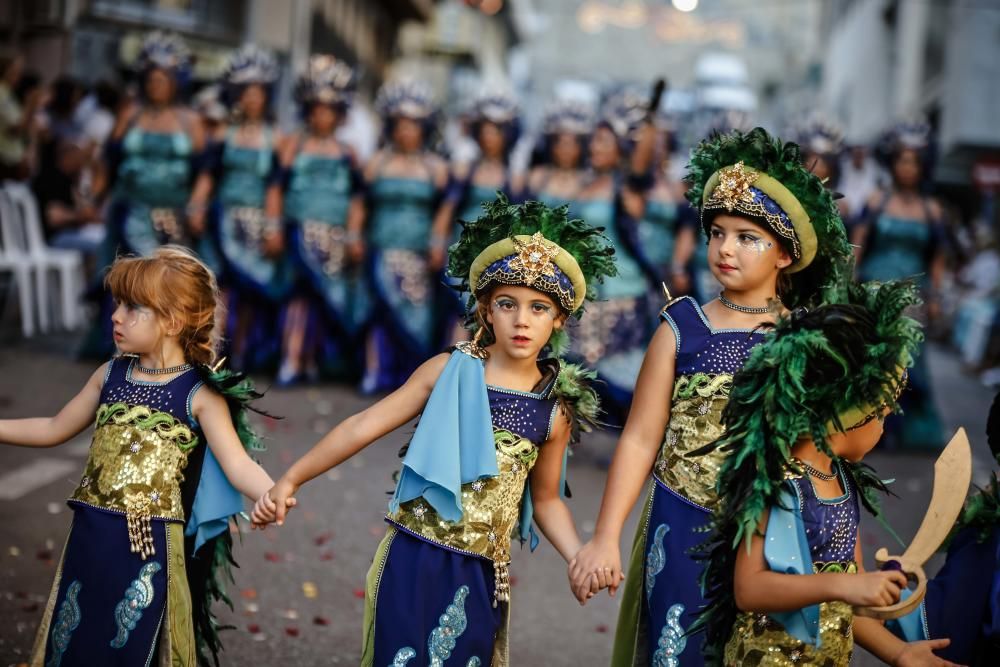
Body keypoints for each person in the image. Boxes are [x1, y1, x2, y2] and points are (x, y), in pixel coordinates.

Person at [252, 198, 615, 665]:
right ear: (486, 310)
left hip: (483, 574)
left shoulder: (553, 409)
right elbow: (363, 425)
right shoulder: (448, 370)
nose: (522, 319)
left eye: (538, 308)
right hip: (413, 555)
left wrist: (578, 556)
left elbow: (544, 500)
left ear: (558, 319)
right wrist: (291, 479)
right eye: (507, 304)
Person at [569, 127, 854, 666]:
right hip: (681, 526)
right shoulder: (681, 328)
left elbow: (837, 449)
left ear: (787, 256)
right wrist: (605, 536)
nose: (726, 248)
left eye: (749, 237)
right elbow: (640, 439)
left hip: (774, 536)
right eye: (718, 231)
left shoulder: (810, 338)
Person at [0, 246, 275, 665]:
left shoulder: (198, 394)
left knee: (129, 640)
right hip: (90, 533)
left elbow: (237, 464)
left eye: (133, 308)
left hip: (148, 546)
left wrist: (272, 493)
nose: (116, 316)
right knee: (76, 631)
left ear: (172, 320)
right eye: (117, 305)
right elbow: (55, 427)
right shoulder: (110, 374)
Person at [695, 280, 959, 666]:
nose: (884, 428)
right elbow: (750, 589)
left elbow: (849, 600)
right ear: (849, 415)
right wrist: (847, 584)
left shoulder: (843, 481)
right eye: (882, 415)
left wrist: (900, 652)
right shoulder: (779, 481)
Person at [188, 44, 292, 373]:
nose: (252, 98)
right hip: (223, 220)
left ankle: (242, 352)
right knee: (218, 289)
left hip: (257, 224)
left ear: (266, 96)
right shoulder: (222, 133)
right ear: (236, 95)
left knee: (251, 292)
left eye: (258, 92)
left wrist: (274, 229)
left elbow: (275, 187)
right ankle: (211, 351)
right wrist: (196, 206)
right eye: (246, 92)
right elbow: (208, 175)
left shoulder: (277, 138)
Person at [269, 55, 368, 385]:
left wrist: (353, 236)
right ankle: (290, 357)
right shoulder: (291, 144)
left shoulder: (348, 152)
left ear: (339, 113)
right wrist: (273, 227)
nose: (322, 115)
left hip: (334, 239)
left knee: (323, 303)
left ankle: (310, 360)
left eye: (329, 109)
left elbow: (357, 198)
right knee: (297, 298)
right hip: (298, 231)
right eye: (317, 108)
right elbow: (275, 189)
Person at [853, 120, 946, 451]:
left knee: (909, 363)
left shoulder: (932, 210)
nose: (908, 168)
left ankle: (905, 430)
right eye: (903, 161)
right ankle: (869, 430)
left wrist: (936, 297)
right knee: (874, 360)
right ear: (892, 164)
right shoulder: (877, 201)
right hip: (874, 293)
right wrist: (849, 287)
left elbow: (937, 258)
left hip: (913, 298)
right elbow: (858, 245)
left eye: (914, 162)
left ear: (923, 167)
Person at [359, 78, 449, 393]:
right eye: (400, 124)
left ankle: (411, 382)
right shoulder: (376, 163)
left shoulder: (436, 167)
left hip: (418, 253)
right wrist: (354, 237)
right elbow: (361, 203)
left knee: (417, 319)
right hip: (381, 248)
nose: (406, 131)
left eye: (413, 125)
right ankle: (373, 372)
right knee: (377, 315)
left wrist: (437, 244)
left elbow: (444, 212)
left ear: (425, 127)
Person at [527, 98, 594, 212]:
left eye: (571, 144)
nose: (566, 150)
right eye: (561, 144)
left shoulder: (589, 180)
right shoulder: (537, 176)